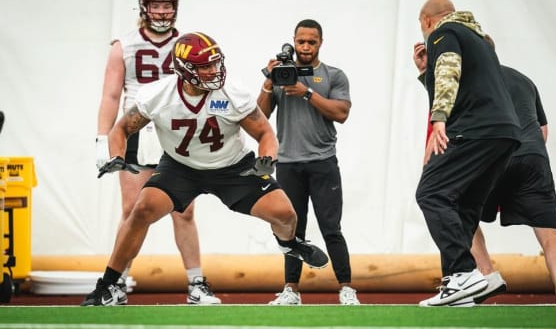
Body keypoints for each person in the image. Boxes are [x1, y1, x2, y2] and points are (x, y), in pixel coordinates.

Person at [82, 31, 329, 306]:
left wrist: (267, 159)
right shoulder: (158, 94)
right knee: (141, 210)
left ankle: (288, 243)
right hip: (181, 167)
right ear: (185, 69)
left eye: (216, 63)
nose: (214, 70)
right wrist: (115, 154)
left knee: (285, 215)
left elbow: (265, 134)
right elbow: (122, 129)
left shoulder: (231, 93)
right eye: (206, 66)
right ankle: (108, 284)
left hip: (233, 167)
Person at [94, 0, 218, 305]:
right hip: (136, 130)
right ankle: (116, 282)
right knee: (131, 209)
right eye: (157, 5)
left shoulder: (188, 43)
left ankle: (196, 283)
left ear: (175, 8)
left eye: (167, 6)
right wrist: (102, 140)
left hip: (175, 130)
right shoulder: (125, 45)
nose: (162, 12)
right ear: (144, 8)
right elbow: (110, 96)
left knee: (185, 210)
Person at [414, 0, 521, 307]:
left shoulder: (442, 33)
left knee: (431, 193)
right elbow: (467, 84)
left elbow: (449, 72)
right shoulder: (480, 41)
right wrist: (425, 73)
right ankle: (458, 286)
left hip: (474, 129)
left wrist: (439, 119)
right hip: (504, 134)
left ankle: (463, 272)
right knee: (464, 208)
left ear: (427, 20)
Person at [468, 63, 556, 306]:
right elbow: (542, 131)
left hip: (493, 153)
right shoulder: (523, 79)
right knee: (550, 233)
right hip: (533, 155)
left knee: (460, 214)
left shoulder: (473, 76)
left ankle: (487, 276)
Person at [257, 19, 359, 305]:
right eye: (300, 41)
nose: (304, 47)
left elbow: (341, 113)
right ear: (294, 40)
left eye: (311, 42)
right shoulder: (280, 75)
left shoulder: (333, 75)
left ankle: (346, 288)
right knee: (291, 229)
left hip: (323, 161)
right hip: (288, 163)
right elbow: (258, 118)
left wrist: (308, 93)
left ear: (320, 43)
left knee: (331, 227)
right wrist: (268, 82)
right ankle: (291, 290)